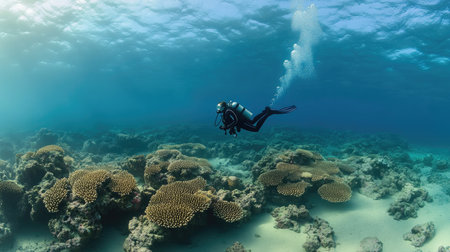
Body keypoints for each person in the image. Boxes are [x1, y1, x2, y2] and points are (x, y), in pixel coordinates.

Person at [215, 101, 296, 136]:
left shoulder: (228, 110)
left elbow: (235, 120)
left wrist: (227, 127)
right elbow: (231, 121)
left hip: (242, 122)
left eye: (219, 107)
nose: (218, 109)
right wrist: (230, 128)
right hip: (242, 121)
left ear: (223, 107)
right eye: (218, 107)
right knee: (253, 121)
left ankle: (268, 113)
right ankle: (265, 112)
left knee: (256, 129)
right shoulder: (225, 112)